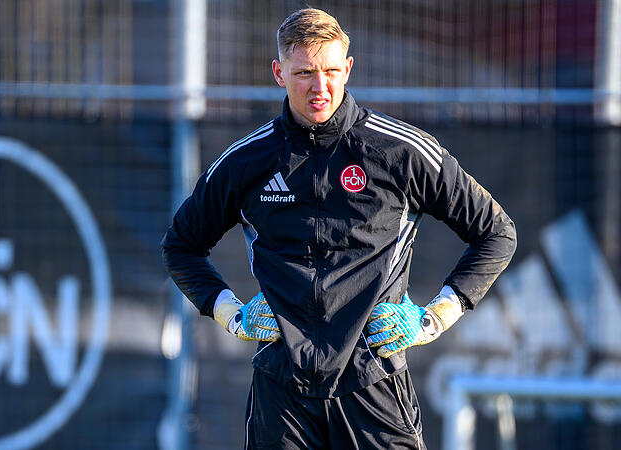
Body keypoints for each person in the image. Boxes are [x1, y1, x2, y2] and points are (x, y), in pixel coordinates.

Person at [162, 8, 516, 450]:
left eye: (331, 70)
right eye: (304, 72)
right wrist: (228, 313)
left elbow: (497, 233)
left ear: (348, 68)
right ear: (279, 73)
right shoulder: (246, 162)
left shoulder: (399, 151)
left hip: (375, 385)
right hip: (281, 392)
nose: (320, 86)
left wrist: (437, 316)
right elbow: (181, 246)